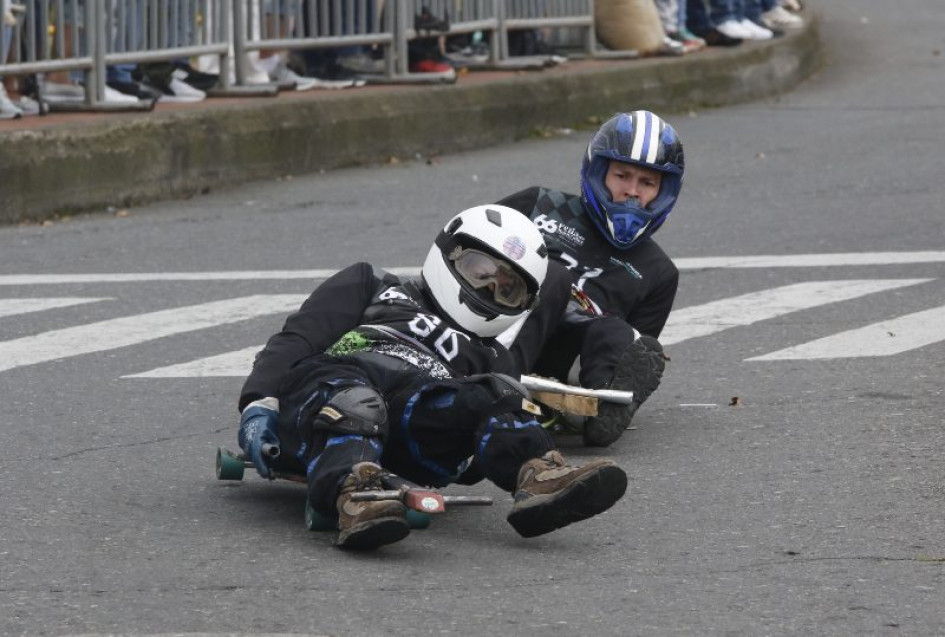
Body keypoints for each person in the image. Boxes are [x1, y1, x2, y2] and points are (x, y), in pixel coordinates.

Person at [236, 204, 628, 550]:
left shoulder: (493, 355)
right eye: (481, 271)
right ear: (451, 253)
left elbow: (474, 461)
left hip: (416, 413)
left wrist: (472, 449)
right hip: (335, 385)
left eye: (507, 289)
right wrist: (259, 402)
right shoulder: (371, 284)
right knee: (359, 402)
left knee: (501, 391)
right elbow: (297, 338)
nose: (490, 287)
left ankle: (538, 477)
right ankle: (354, 492)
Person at [494, 110, 684, 447]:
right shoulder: (539, 205)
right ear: (597, 172)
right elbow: (467, 246)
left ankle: (599, 405)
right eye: (622, 176)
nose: (632, 191)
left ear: (664, 192)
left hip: (559, 354)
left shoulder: (659, 272)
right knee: (553, 278)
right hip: (497, 318)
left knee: (627, 337)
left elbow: (631, 356)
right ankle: (495, 380)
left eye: (647, 183)